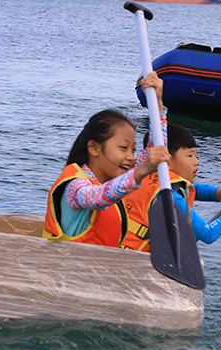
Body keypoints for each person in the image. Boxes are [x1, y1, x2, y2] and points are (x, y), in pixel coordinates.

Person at [43, 75, 170, 245]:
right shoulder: (75, 187)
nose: (131, 157)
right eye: (123, 148)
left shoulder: (114, 180)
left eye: (133, 150)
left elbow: (154, 153)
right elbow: (96, 198)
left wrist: (158, 104)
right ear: (94, 148)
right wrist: (141, 170)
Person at [118, 124, 221, 251]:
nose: (196, 162)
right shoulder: (169, 197)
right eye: (190, 155)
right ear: (166, 160)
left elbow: (194, 189)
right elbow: (208, 233)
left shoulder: (146, 178)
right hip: (133, 257)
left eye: (196, 155)